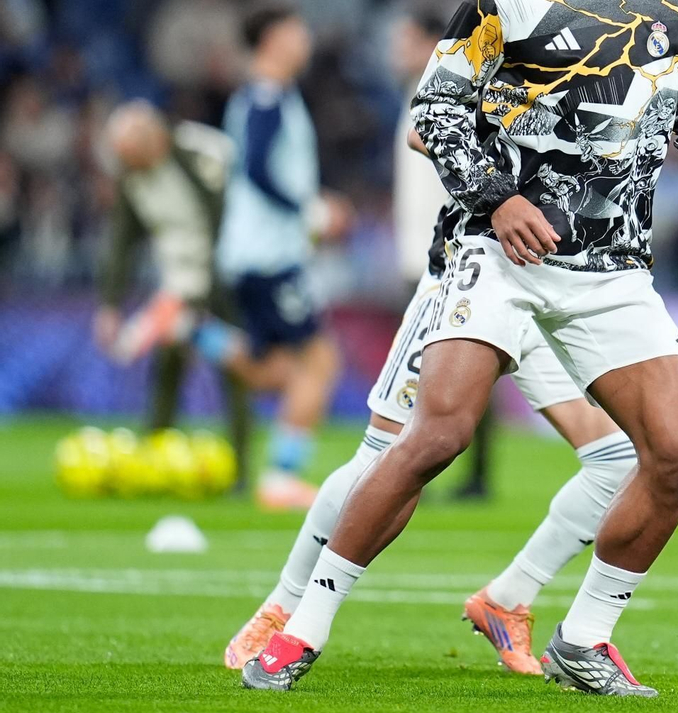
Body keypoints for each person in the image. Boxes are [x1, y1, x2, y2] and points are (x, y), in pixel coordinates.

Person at [243, 0, 678, 696]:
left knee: (676, 453)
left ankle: (586, 636)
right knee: (434, 436)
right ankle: (301, 629)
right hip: (498, 252)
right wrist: (500, 197)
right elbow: (438, 112)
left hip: (612, 268)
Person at [224, 204, 638, 678]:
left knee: (618, 461)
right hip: (469, 283)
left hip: (555, 287)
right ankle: (283, 606)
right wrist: (503, 182)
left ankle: (507, 599)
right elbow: (425, 131)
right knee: (386, 457)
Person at [209, 0, 351, 511]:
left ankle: (192, 331)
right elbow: (259, 170)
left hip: (255, 254)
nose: (305, 40)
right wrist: (309, 211)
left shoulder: (262, 96)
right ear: (273, 38)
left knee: (277, 372)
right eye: (298, 30)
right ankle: (280, 480)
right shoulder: (267, 97)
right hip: (269, 257)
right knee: (320, 363)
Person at [96, 102, 252, 484]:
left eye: (133, 155)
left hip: (223, 277)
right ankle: (156, 459)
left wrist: (213, 282)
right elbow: (123, 242)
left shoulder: (201, 150)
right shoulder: (132, 177)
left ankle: (240, 467)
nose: (130, 165)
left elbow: (232, 212)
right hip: (177, 283)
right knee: (167, 365)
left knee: (233, 367)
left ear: (153, 139)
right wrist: (111, 304)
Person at [389, 4, 497, 500]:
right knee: (447, 366)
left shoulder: (450, 99)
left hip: (450, 252)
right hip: (420, 251)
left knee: (455, 365)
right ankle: (452, 470)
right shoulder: (415, 95)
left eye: (405, 40)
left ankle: (465, 472)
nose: (396, 52)